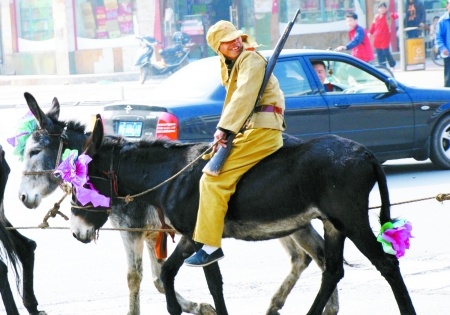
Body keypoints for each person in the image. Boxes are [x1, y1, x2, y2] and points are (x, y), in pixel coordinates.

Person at [184, 20, 286, 267]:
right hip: (251, 126)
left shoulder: (249, 59)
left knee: (212, 181)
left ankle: (210, 247)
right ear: (217, 47)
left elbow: (244, 96)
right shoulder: (232, 62)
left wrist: (224, 128)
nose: (235, 42)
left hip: (262, 128)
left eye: (236, 37)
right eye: (227, 41)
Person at [369, 2, 398, 68]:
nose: (382, 9)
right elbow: (373, 26)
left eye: (383, 7)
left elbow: (395, 15)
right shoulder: (376, 17)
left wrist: (398, 13)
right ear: (378, 9)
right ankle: (383, 67)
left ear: (386, 8)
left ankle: (392, 64)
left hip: (385, 38)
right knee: (379, 53)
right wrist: (370, 33)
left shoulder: (388, 15)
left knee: (386, 52)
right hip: (377, 38)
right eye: (381, 8)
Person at [435, 0, 450, 87]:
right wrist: (443, 48)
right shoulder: (443, 21)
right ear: (447, 6)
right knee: (448, 79)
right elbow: (438, 37)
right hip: (448, 54)